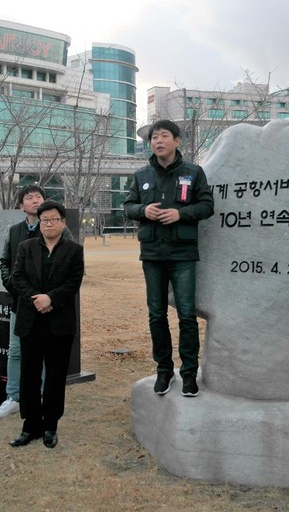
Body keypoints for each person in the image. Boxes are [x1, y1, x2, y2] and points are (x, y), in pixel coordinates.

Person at [123, 119, 214, 397]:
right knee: (156, 315)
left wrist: (180, 214)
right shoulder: (141, 175)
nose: (158, 141)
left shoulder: (193, 172)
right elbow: (127, 206)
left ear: (177, 141)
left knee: (187, 316)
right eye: (154, 138)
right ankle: (164, 371)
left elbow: (207, 205)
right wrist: (143, 210)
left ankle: (188, 374)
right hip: (152, 254)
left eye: (164, 136)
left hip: (183, 253)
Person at [9, 201, 84, 449]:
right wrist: (37, 300)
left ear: (63, 222)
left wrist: (51, 298)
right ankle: (30, 425)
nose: (49, 224)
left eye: (53, 219)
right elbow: (16, 278)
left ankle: (51, 425)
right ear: (39, 223)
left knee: (55, 375)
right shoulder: (26, 247)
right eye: (44, 220)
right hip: (31, 320)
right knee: (28, 375)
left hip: (59, 322)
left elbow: (74, 282)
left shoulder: (74, 250)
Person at [0, 183, 70, 420]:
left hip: (49, 304)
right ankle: (14, 397)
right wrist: (17, 288)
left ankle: (44, 397)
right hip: (21, 302)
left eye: (39, 196)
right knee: (16, 350)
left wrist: (48, 297)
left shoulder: (57, 229)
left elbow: (66, 263)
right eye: (29, 197)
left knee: (48, 352)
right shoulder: (15, 231)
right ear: (21, 205)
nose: (35, 200)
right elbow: (5, 263)